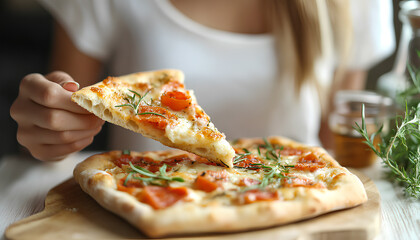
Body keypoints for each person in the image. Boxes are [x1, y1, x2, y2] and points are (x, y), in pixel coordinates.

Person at [10, 0, 395, 162]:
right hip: (140, 209)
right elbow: (64, 120)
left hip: (297, 221)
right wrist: (50, 119)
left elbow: (343, 146)